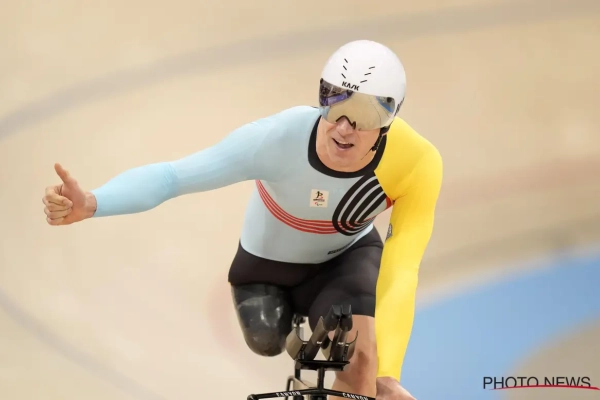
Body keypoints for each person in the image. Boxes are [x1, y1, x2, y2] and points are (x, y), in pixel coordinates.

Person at [42, 40, 442, 400]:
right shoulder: (277, 138)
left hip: (345, 261)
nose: (343, 127)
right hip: (266, 266)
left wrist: (386, 375)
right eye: (334, 102)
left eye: (363, 114)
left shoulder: (416, 162)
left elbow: (401, 271)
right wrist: (94, 202)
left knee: (362, 369)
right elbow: (173, 177)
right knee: (266, 340)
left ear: (390, 118)